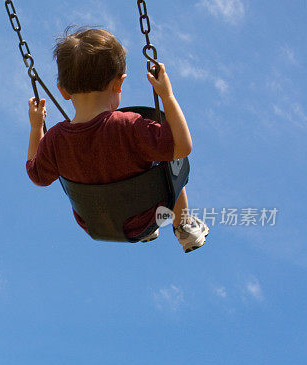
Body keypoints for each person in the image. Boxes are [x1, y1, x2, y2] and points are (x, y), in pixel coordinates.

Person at [26, 27, 209, 251]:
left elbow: (37, 176)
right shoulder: (128, 125)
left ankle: (150, 231)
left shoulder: (54, 139)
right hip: (148, 216)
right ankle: (184, 227)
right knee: (168, 161)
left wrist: (36, 127)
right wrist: (167, 96)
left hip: (98, 225)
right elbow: (182, 147)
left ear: (63, 91)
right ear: (119, 83)